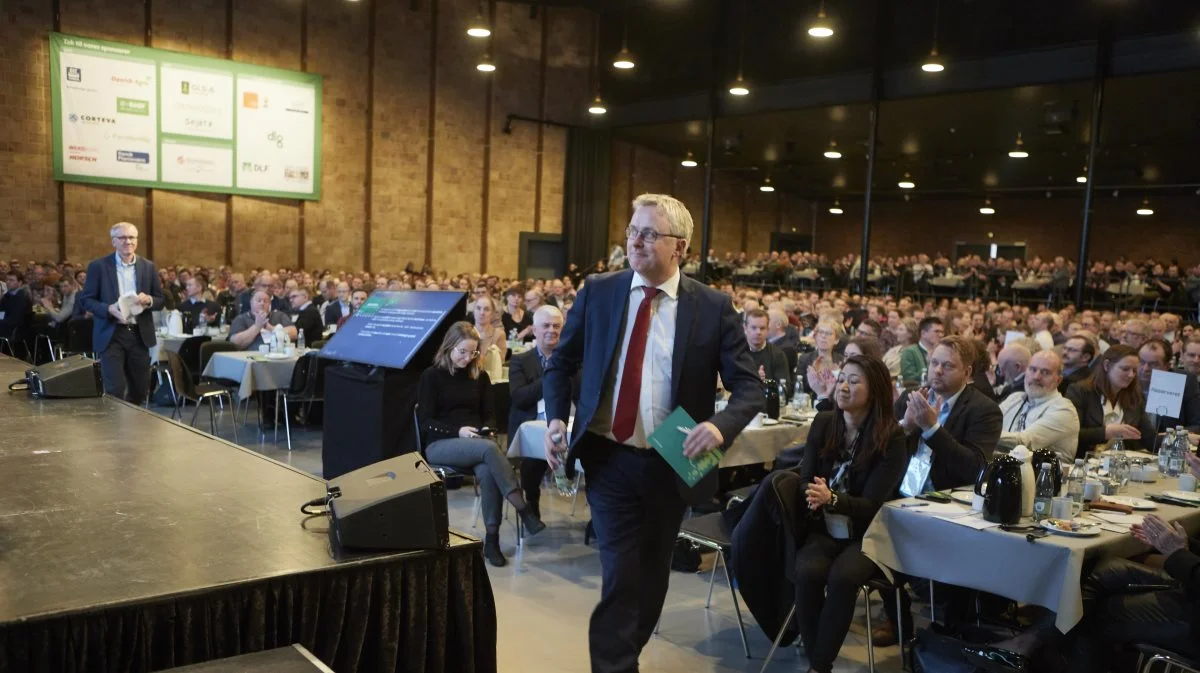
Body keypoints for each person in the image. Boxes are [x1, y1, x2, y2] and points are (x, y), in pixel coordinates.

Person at [542, 193, 761, 673]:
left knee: (652, 576)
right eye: (631, 231)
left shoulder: (713, 306)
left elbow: (750, 389)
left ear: (678, 247)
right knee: (621, 575)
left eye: (648, 234)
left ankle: (625, 655)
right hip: (609, 456)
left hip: (673, 458)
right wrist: (558, 416)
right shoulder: (600, 290)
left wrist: (719, 426)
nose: (635, 242)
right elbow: (561, 362)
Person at [732, 356, 906, 673]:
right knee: (808, 571)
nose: (844, 386)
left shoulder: (891, 437)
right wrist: (811, 497)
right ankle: (819, 665)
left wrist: (833, 499)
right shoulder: (825, 422)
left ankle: (818, 665)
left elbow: (873, 504)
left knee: (842, 578)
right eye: (842, 379)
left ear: (876, 390)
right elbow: (804, 479)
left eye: (855, 381)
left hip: (868, 533)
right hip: (824, 528)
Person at [876, 335, 1002, 642]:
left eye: (948, 366)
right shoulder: (912, 396)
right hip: (903, 494)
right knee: (871, 529)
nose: (937, 371)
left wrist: (932, 429)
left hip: (949, 505)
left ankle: (948, 627)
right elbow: (879, 449)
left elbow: (974, 467)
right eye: (934, 363)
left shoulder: (984, 410)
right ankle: (898, 617)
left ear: (968, 372)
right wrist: (905, 426)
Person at [420, 321, 545, 567]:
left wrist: (486, 428)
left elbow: (489, 415)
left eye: (473, 352)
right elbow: (425, 422)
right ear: (449, 347)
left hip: (476, 444)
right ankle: (522, 508)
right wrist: (458, 431)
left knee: (488, 468)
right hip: (442, 444)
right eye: (462, 352)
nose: (468, 358)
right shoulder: (431, 376)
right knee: (490, 449)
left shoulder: (480, 376)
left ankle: (492, 540)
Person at [77, 222, 165, 404]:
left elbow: (160, 300)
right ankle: (114, 430)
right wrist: (108, 309)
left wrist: (148, 300)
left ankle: (133, 429)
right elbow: (86, 300)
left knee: (140, 390)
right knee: (115, 389)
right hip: (111, 334)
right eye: (123, 238)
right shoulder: (99, 266)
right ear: (113, 242)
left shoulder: (148, 267)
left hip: (139, 335)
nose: (128, 242)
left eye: (132, 237)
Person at [508, 305, 568, 518]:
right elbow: (519, 397)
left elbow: (580, 391)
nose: (552, 330)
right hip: (531, 423)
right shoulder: (520, 361)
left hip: (566, 422)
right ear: (534, 330)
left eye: (557, 326)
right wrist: (553, 376)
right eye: (546, 325)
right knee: (533, 462)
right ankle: (531, 501)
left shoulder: (572, 360)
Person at [997, 349, 1081, 462]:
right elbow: (989, 422)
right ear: (1025, 372)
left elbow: (1024, 443)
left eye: (1045, 372)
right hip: (1005, 470)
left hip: (1045, 477)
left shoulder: (1064, 410)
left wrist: (982, 433)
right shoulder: (1015, 398)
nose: (1036, 377)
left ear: (1058, 380)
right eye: (1032, 369)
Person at [1065, 344, 1151, 452]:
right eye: (1125, 369)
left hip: (1121, 463)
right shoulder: (1080, 391)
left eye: (1134, 370)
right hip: (1084, 460)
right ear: (1106, 365)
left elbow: (1149, 437)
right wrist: (1106, 432)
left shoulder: (1135, 397)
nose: (1131, 375)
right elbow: (1069, 433)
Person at [1137, 338, 1200, 432]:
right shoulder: (1126, 380)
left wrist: (1169, 436)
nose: (1145, 368)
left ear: (1166, 366)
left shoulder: (1183, 382)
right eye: (1141, 362)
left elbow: (1196, 425)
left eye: (1153, 364)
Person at [744, 307, 792, 395]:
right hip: (740, 401)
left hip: (766, 403)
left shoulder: (778, 354)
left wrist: (765, 383)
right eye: (754, 328)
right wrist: (752, 379)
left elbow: (786, 389)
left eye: (762, 328)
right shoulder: (736, 352)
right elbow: (728, 383)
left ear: (768, 330)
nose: (758, 332)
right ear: (745, 328)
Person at [227, 290, 296, 350]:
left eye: (265, 301)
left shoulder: (279, 315)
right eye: (259, 300)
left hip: (279, 355)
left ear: (269, 304)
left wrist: (270, 328)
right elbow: (236, 343)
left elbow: (294, 333)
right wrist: (257, 326)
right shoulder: (241, 319)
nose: (262, 303)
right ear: (251, 303)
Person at [797, 318, 845, 395]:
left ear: (836, 340)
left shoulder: (841, 361)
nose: (823, 336)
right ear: (815, 337)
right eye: (821, 332)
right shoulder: (805, 359)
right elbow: (800, 388)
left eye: (829, 333)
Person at [899, 316, 944, 385]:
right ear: (923, 333)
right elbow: (908, 379)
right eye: (937, 331)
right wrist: (929, 366)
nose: (941, 335)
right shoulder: (909, 352)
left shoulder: (943, 353)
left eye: (942, 332)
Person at [472, 294, 507, 361]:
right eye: (478, 308)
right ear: (473, 311)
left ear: (492, 313)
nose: (482, 312)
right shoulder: (465, 332)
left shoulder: (499, 334)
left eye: (486, 309)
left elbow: (500, 361)